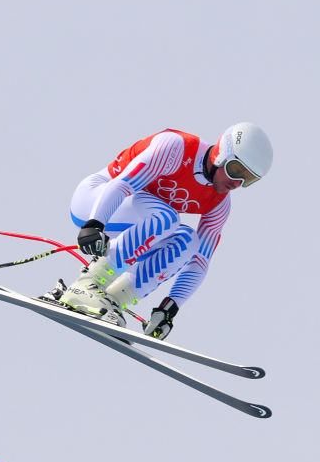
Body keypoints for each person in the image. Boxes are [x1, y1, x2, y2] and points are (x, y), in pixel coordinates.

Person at [39, 122, 272, 340]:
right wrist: (95, 223)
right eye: (235, 170)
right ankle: (87, 285)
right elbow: (123, 184)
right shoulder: (177, 147)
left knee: (189, 241)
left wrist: (170, 308)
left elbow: (200, 261)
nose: (237, 182)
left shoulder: (220, 203)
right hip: (96, 200)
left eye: (248, 179)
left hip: (136, 220)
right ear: (222, 154)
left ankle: (112, 299)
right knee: (168, 217)